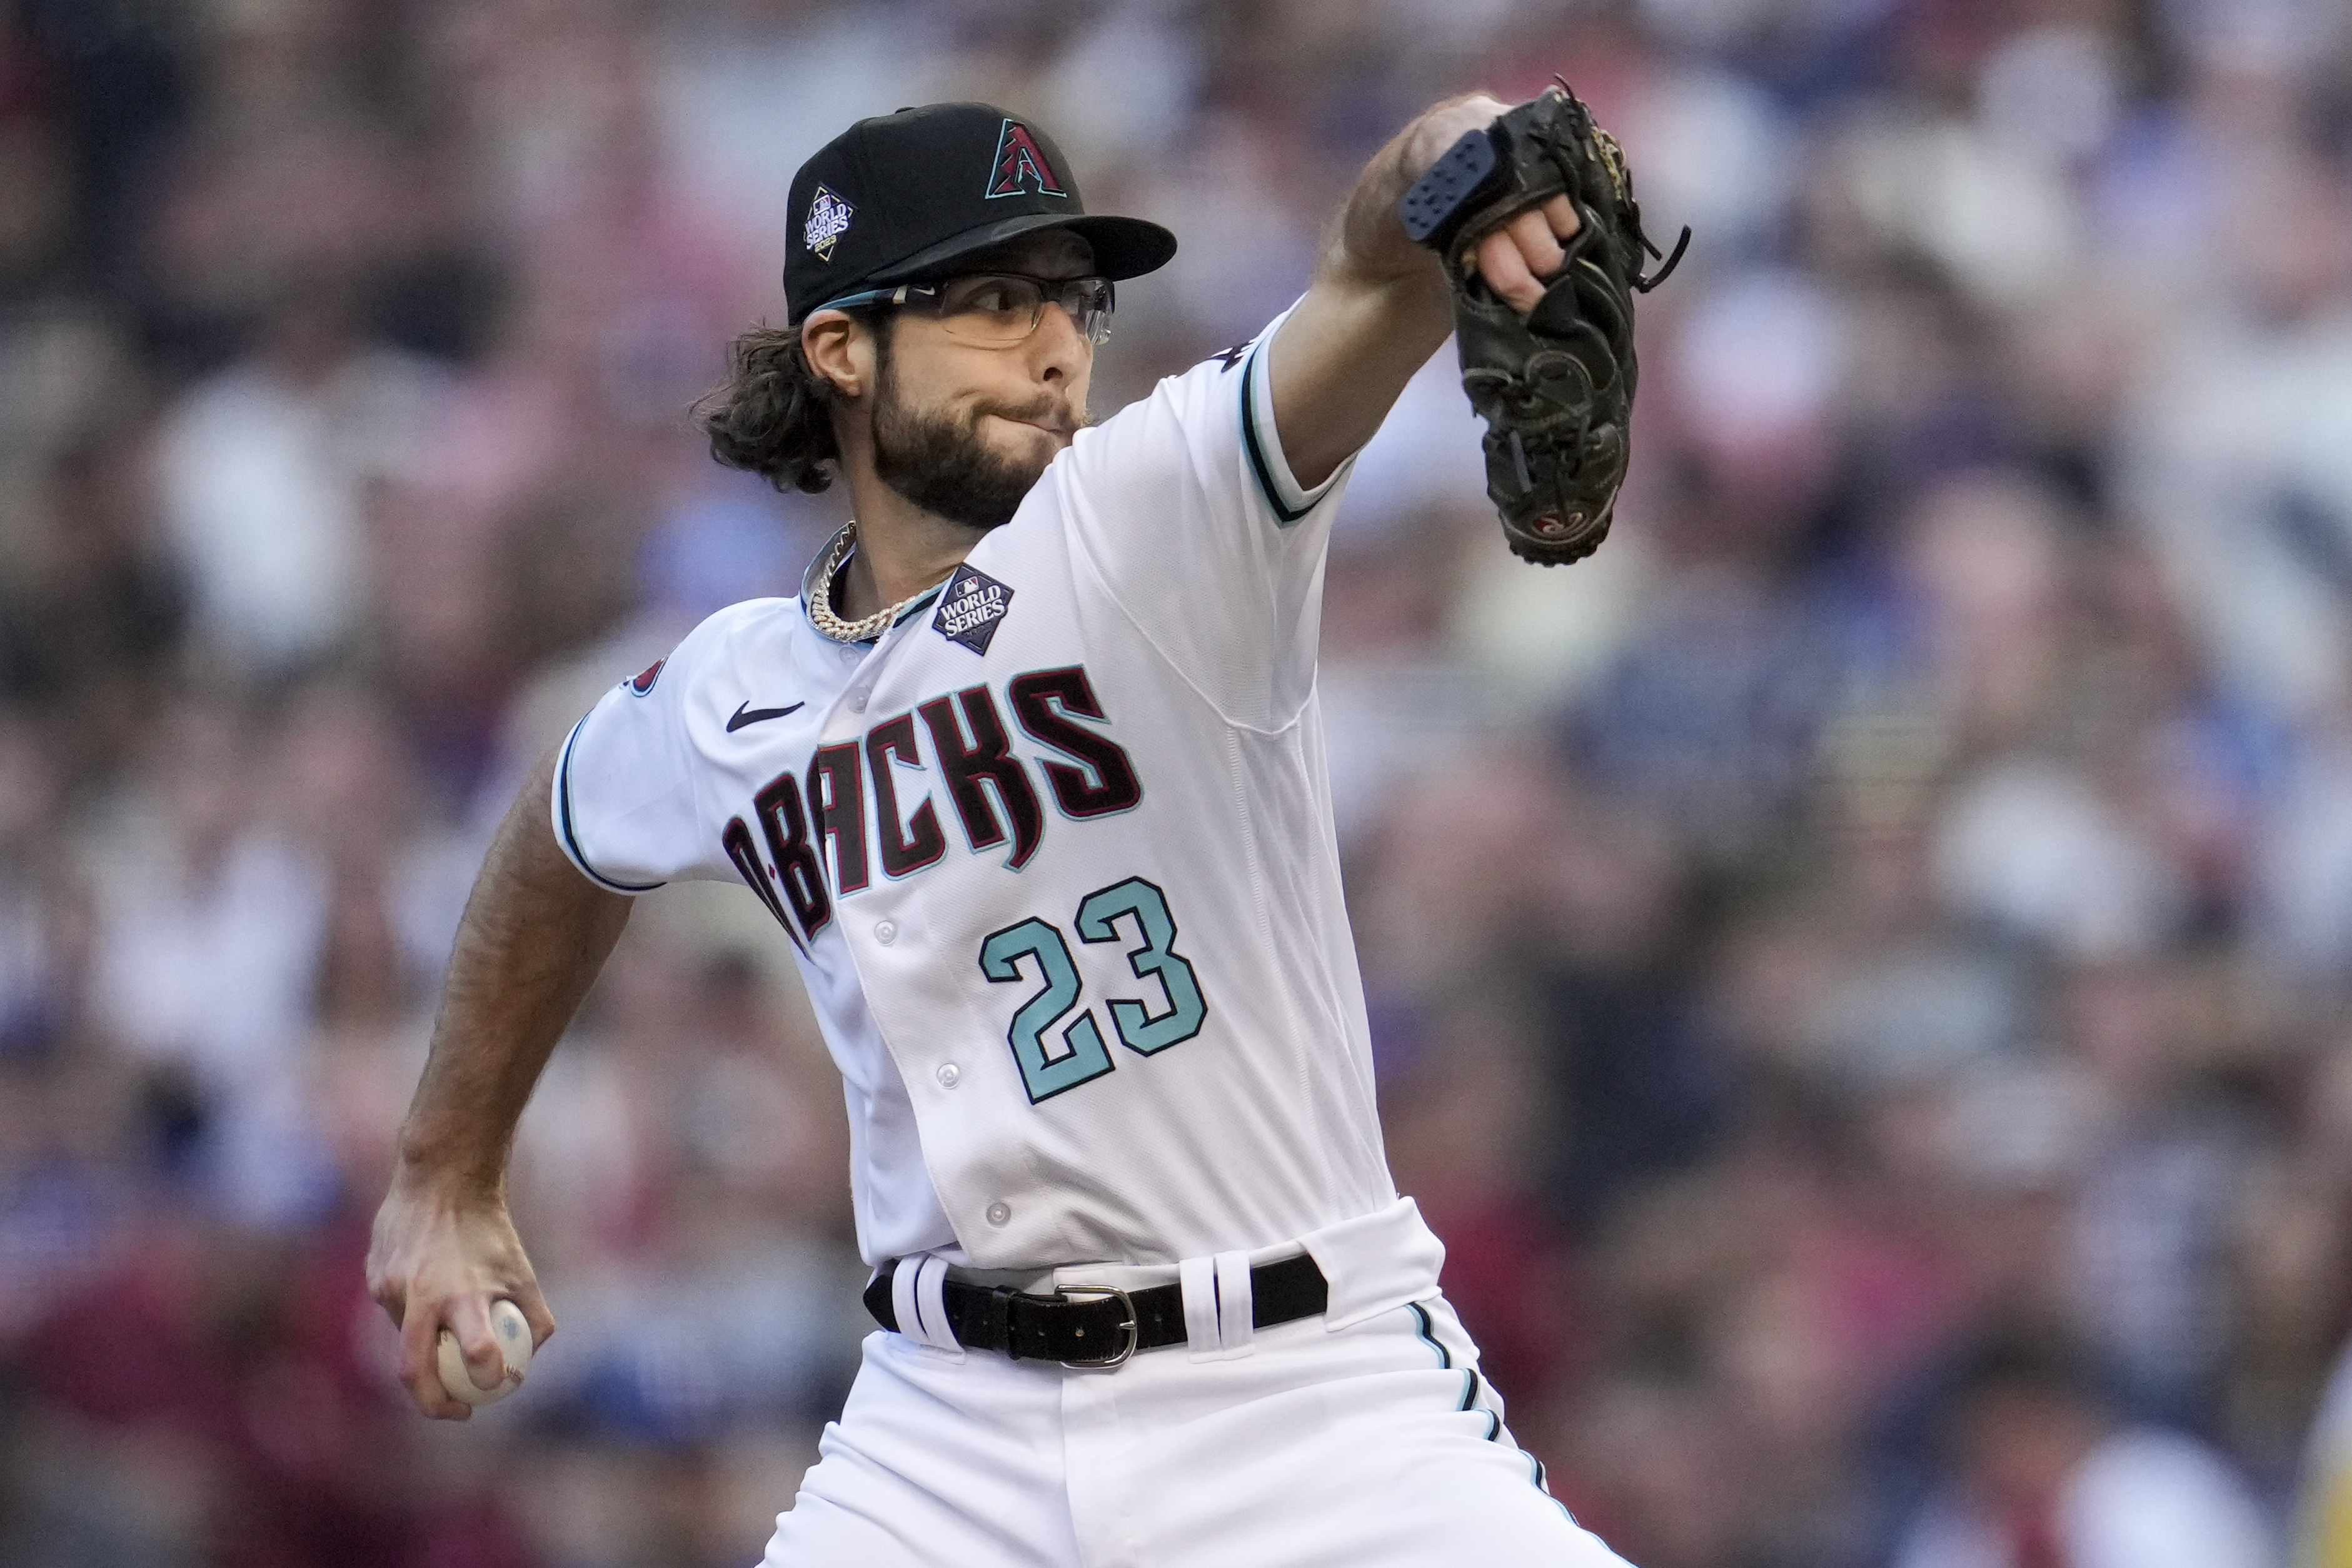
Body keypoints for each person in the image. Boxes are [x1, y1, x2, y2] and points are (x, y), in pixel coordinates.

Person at [367, 96, 1635, 1565]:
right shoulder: (729, 694)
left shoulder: (1155, 514)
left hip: (1305, 1392)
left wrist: (1443, 164)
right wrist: (446, 1171)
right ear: (841, 348)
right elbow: (559, 831)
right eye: (989, 300)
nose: (1053, 344)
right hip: (947, 1433)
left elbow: (1369, 272)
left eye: (1071, 301)